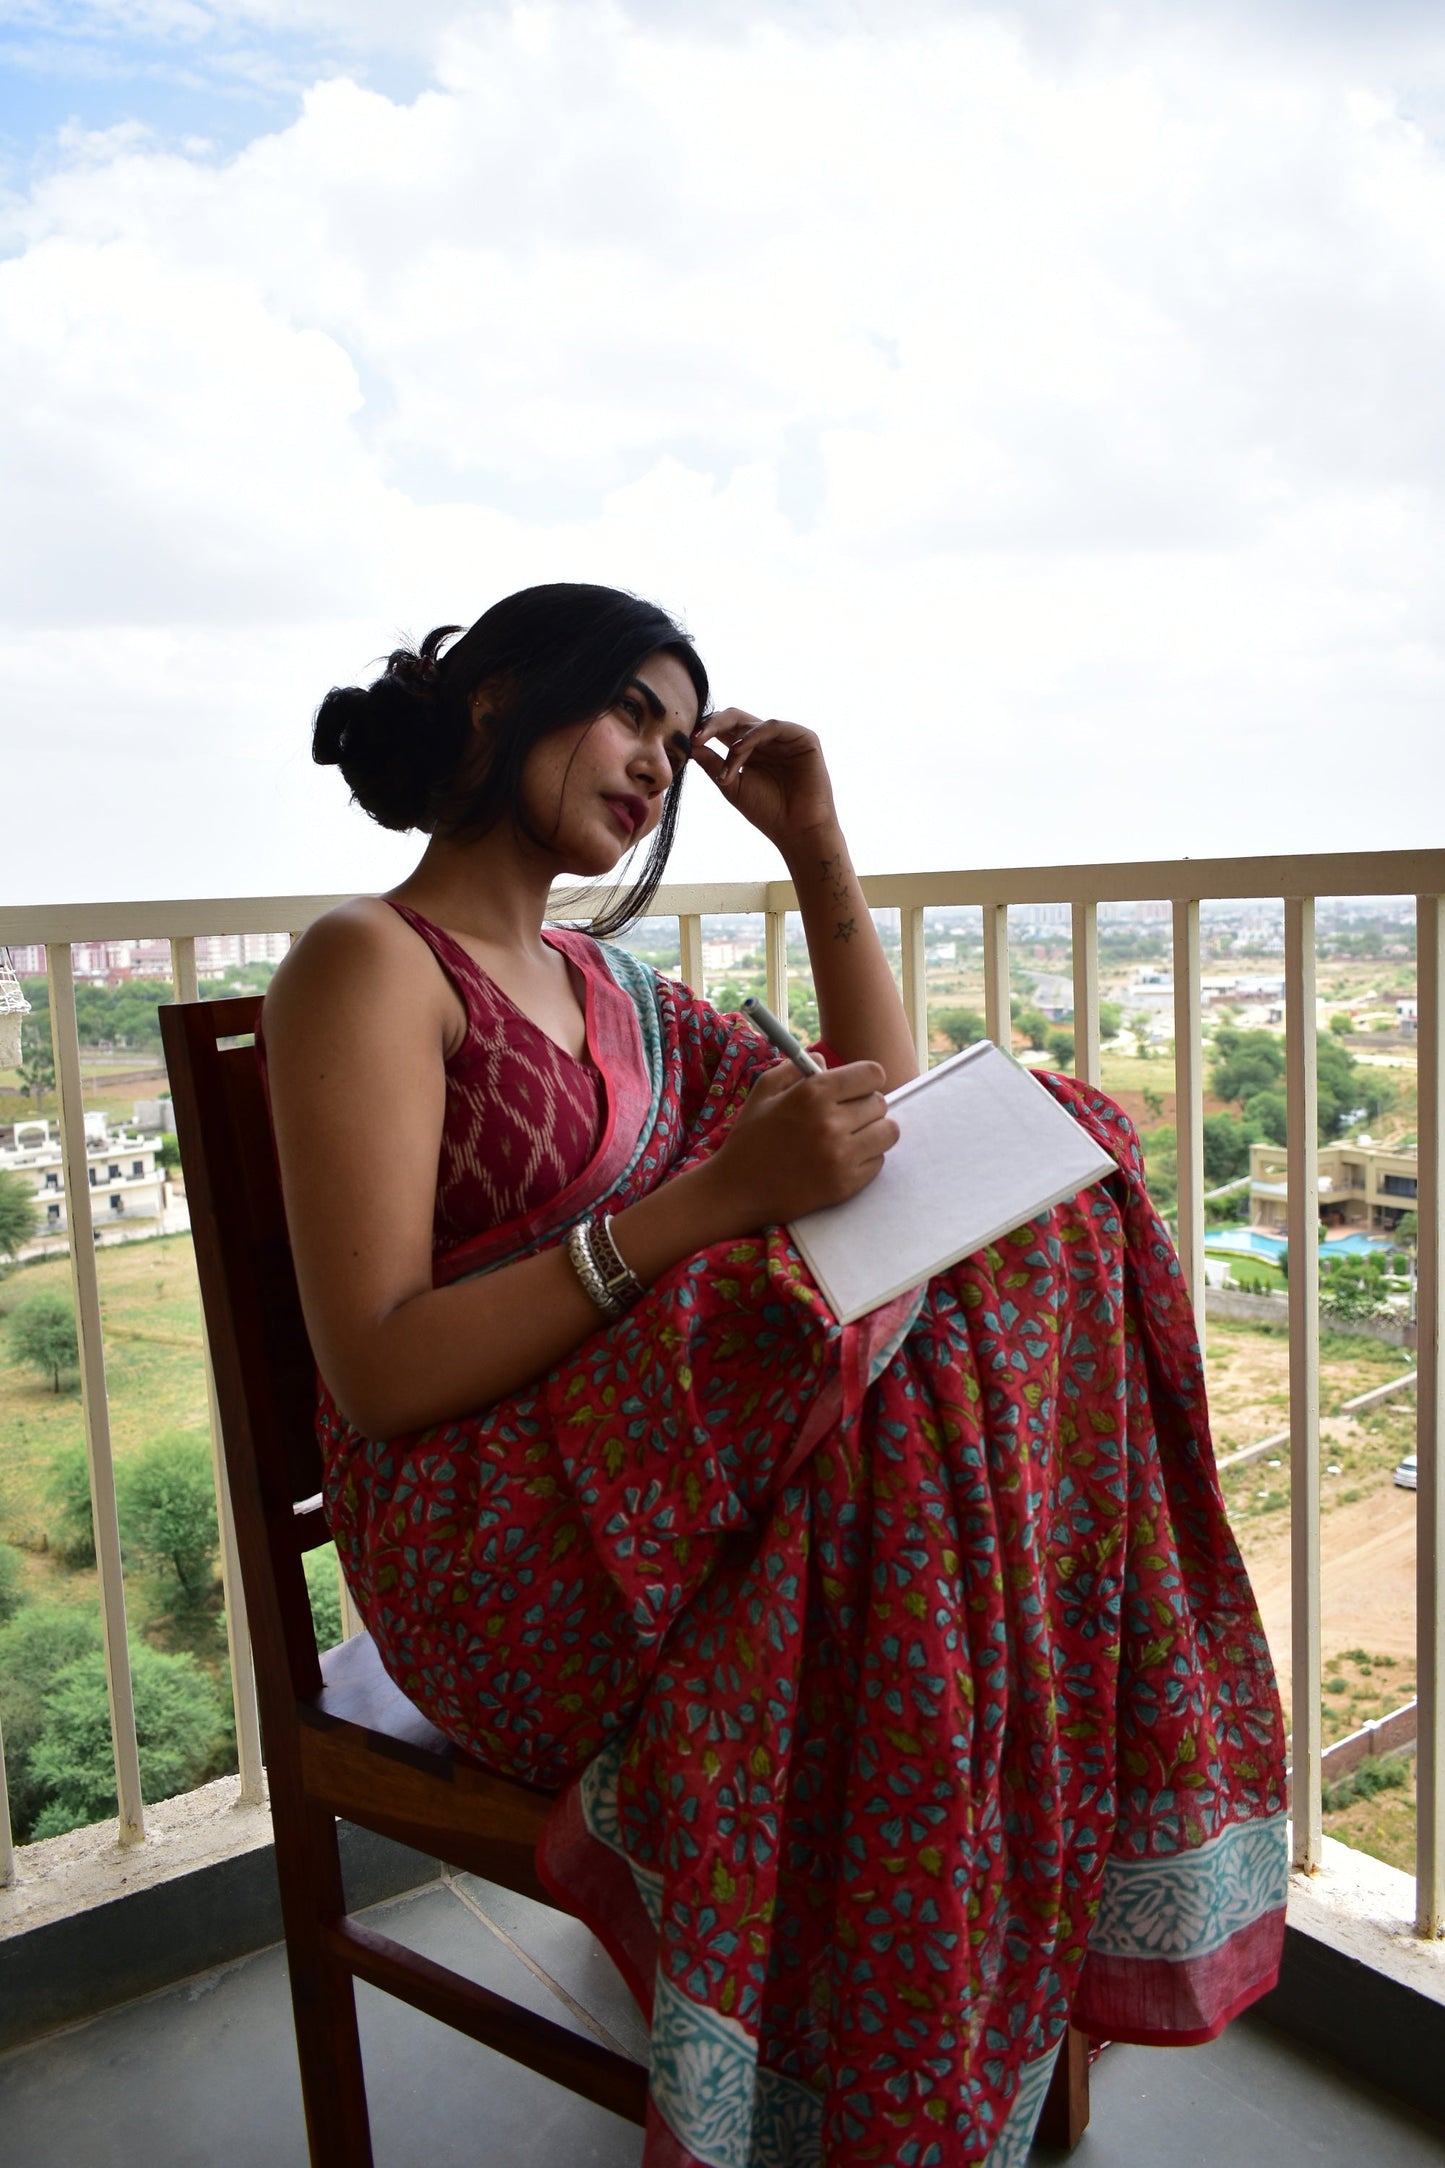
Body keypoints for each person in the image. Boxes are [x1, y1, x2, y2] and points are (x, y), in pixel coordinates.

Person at [261, 583, 1287, 2168]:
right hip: (493, 1546)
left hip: (647, 1485)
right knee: (887, 1362)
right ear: (497, 699)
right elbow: (381, 1374)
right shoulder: (366, 967)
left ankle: (957, 1855)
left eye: (679, 738)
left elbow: (893, 1134)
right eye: (631, 716)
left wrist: (817, 856)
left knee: (1033, 1190)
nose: (659, 765)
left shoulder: (614, 991)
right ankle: (930, 1943)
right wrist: (702, 1211)